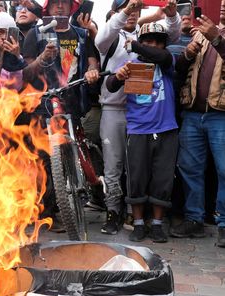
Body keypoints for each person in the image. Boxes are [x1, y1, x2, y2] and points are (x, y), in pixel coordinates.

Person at [171, 0, 225, 248]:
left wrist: (217, 40)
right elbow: (180, 68)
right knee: (189, 169)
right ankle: (194, 219)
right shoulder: (201, 30)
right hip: (194, 113)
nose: (223, 4)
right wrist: (188, 52)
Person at [95, 0, 180, 234]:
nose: (152, 46)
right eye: (147, 41)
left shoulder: (165, 62)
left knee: (162, 177)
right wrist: (120, 75)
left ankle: (157, 222)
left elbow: (163, 55)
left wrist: (138, 46)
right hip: (134, 124)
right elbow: (111, 85)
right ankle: (131, 218)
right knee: (132, 174)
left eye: (157, 43)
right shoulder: (128, 59)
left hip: (164, 127)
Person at [21, 0, 100, 229]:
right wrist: (42, 59)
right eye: (55, 3)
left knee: (69, 153)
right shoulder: (35, 34)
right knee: (43, 162)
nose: (59, 8)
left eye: (64, 3)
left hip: (72, 102)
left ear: (71, 7)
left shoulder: (81, 35)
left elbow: (92, 61)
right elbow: (25, 73)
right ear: (48, 8)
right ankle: (46, 213)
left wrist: (93, 71)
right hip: (41, 105)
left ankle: (71, 200)